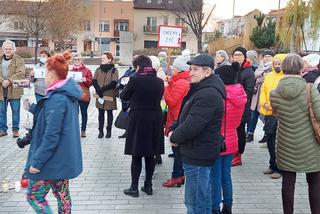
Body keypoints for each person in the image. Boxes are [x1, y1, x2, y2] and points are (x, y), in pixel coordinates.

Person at [24, 51, 83, 214]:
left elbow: (51, 135)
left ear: (52, 73)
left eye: (46, 72)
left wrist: (37, 162)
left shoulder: (57, 98)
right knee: (62, 194)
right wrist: (33, 108)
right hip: (62, 159)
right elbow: (52, 120)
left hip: (52, 160)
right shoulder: (66, 93)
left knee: (34, 196)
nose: (44, 76)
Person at [169, 54, 226, 214]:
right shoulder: (200, 88)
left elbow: (193, 125)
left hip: (198, 154)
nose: (190, 73)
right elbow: (185, 115)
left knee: (195, 201)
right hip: (196, 151)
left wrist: (174, 137)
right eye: (190, 69)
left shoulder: (208, 93)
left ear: (207, 72)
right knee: (201, 197)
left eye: (195, 69)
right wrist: (174, 127)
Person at [270, 54, 320, 214]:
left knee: (288, 182)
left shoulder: (274, 93)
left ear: (283, 68)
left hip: (285, 143)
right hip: (310, 144)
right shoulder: (310, 88)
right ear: (301, 68)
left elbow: (277, 114)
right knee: (314, 182)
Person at [121, 55, 164, 198]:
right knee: (150, 153)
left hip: (138, 118)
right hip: (155, 118)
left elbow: (124, 97)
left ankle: (134, 187)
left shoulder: (135, 80)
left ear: (138, 66)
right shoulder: (159, 81)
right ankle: (148, 185)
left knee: (137, 153)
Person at [211, 62, 247, 214]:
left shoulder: (220, 95)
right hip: (232, 139)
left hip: (218, 141)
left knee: (215, 176)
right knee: (226, 175)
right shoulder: (240, 93)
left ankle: (214, 207)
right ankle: (228, 206)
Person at [162, 55, 191, 188]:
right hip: (178, 117)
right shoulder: (182, 80)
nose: (172, 70)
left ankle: (177, 176)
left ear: (179, 69)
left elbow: (171, 101)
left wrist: (167, 87)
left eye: (174, 68)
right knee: (177, 150)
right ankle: (179, 175)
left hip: (177, 119)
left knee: (177, 150)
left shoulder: (181, 82)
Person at [259, 54, 286, 180]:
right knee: (270, 140)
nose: (277, 66)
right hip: (268, 114)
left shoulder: (285, 77)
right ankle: (272, 164)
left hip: (279, 115)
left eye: (279, 63)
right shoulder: (269, 76)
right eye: (275, 63)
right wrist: (264, 103)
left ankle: (279, 168)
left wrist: (273, 105)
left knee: (278, 143)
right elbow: (263, 91)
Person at [231, 47, 255, 166]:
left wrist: (235, 97)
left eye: (240, 54)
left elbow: (249, 91)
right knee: (232, 131)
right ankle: (232, 152)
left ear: (245, 56)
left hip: (242, 107)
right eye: (235, 55)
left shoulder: (249, 72)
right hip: (230, 106)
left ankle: (238, 155)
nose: (237, 57)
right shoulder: (232, 69)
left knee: (240, 131)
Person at [247, 50, 274, 143]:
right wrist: (262, 75)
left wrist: (260, 76)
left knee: (265, 116)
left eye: (269, 56)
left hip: (266, 95)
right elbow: (255, 75)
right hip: (257, 93)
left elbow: (267, 78)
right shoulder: (260, 65)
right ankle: (250, 134)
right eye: (265, 56)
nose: (266, 58)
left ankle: (266, 135)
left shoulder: (274, 67)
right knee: (253, 115)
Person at [0, 40, 25, 138]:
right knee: (1, 111)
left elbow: (21, 73)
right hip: (1, 90)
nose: (8, 50)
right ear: (3, 49)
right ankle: (2, 129)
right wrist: (2, 81)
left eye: (10, 49)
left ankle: (15, 130)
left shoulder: (19, 60)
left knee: (15, 111)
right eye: (6, 48)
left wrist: (9, 81)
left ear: (14, 49)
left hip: (14, 90)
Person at [92, 52, 118, 139]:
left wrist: (102, 89)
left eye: (104, 58)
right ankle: (100, 131)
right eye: (102, 58)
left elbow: (114, 83)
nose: (102, 59)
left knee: (109, 113)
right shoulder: (98, 69)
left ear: (109, 60)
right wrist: (98, 90)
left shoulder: (114, 70)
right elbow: (94, 81)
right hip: (99, 95)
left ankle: (109, 130)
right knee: (100, 113)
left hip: (109, 95)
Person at [70, 53, 92, 138]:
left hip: (84, 94)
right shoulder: (70, 71)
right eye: (75, 59)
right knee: (74, 114)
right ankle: (74, 130)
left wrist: (85, 79)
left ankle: (83, 130)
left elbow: (91, 83)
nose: (77, 61)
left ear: (82, 60)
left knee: (84, 113)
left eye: (79, 59)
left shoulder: (87, 70)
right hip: (73, 95)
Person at [117, 59, 137, 139]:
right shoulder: (129, 70)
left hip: (131, 95)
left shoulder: (137, 73)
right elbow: (122, 78)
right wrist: (120, 83)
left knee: (130, 114)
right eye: (133, 60)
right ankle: (126, 130)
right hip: (125, 94)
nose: (133, 61)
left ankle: (130, 131)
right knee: (125, 113)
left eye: (135, 60)